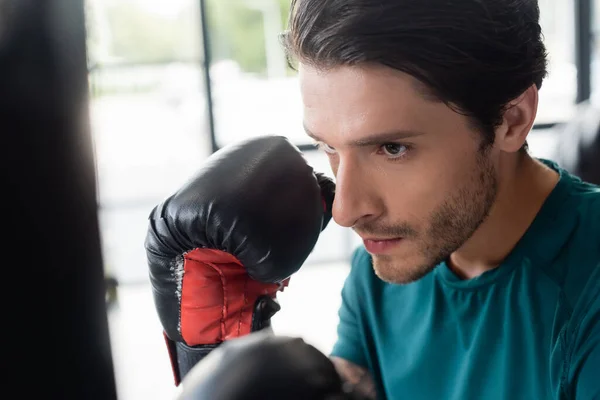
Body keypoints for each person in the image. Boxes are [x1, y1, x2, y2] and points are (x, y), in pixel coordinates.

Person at [146, 1, 600, 399]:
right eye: (328, 147)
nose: (345, 211)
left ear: (512, 120)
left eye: (392, 149)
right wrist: (219, 354)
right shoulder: (389, 258)